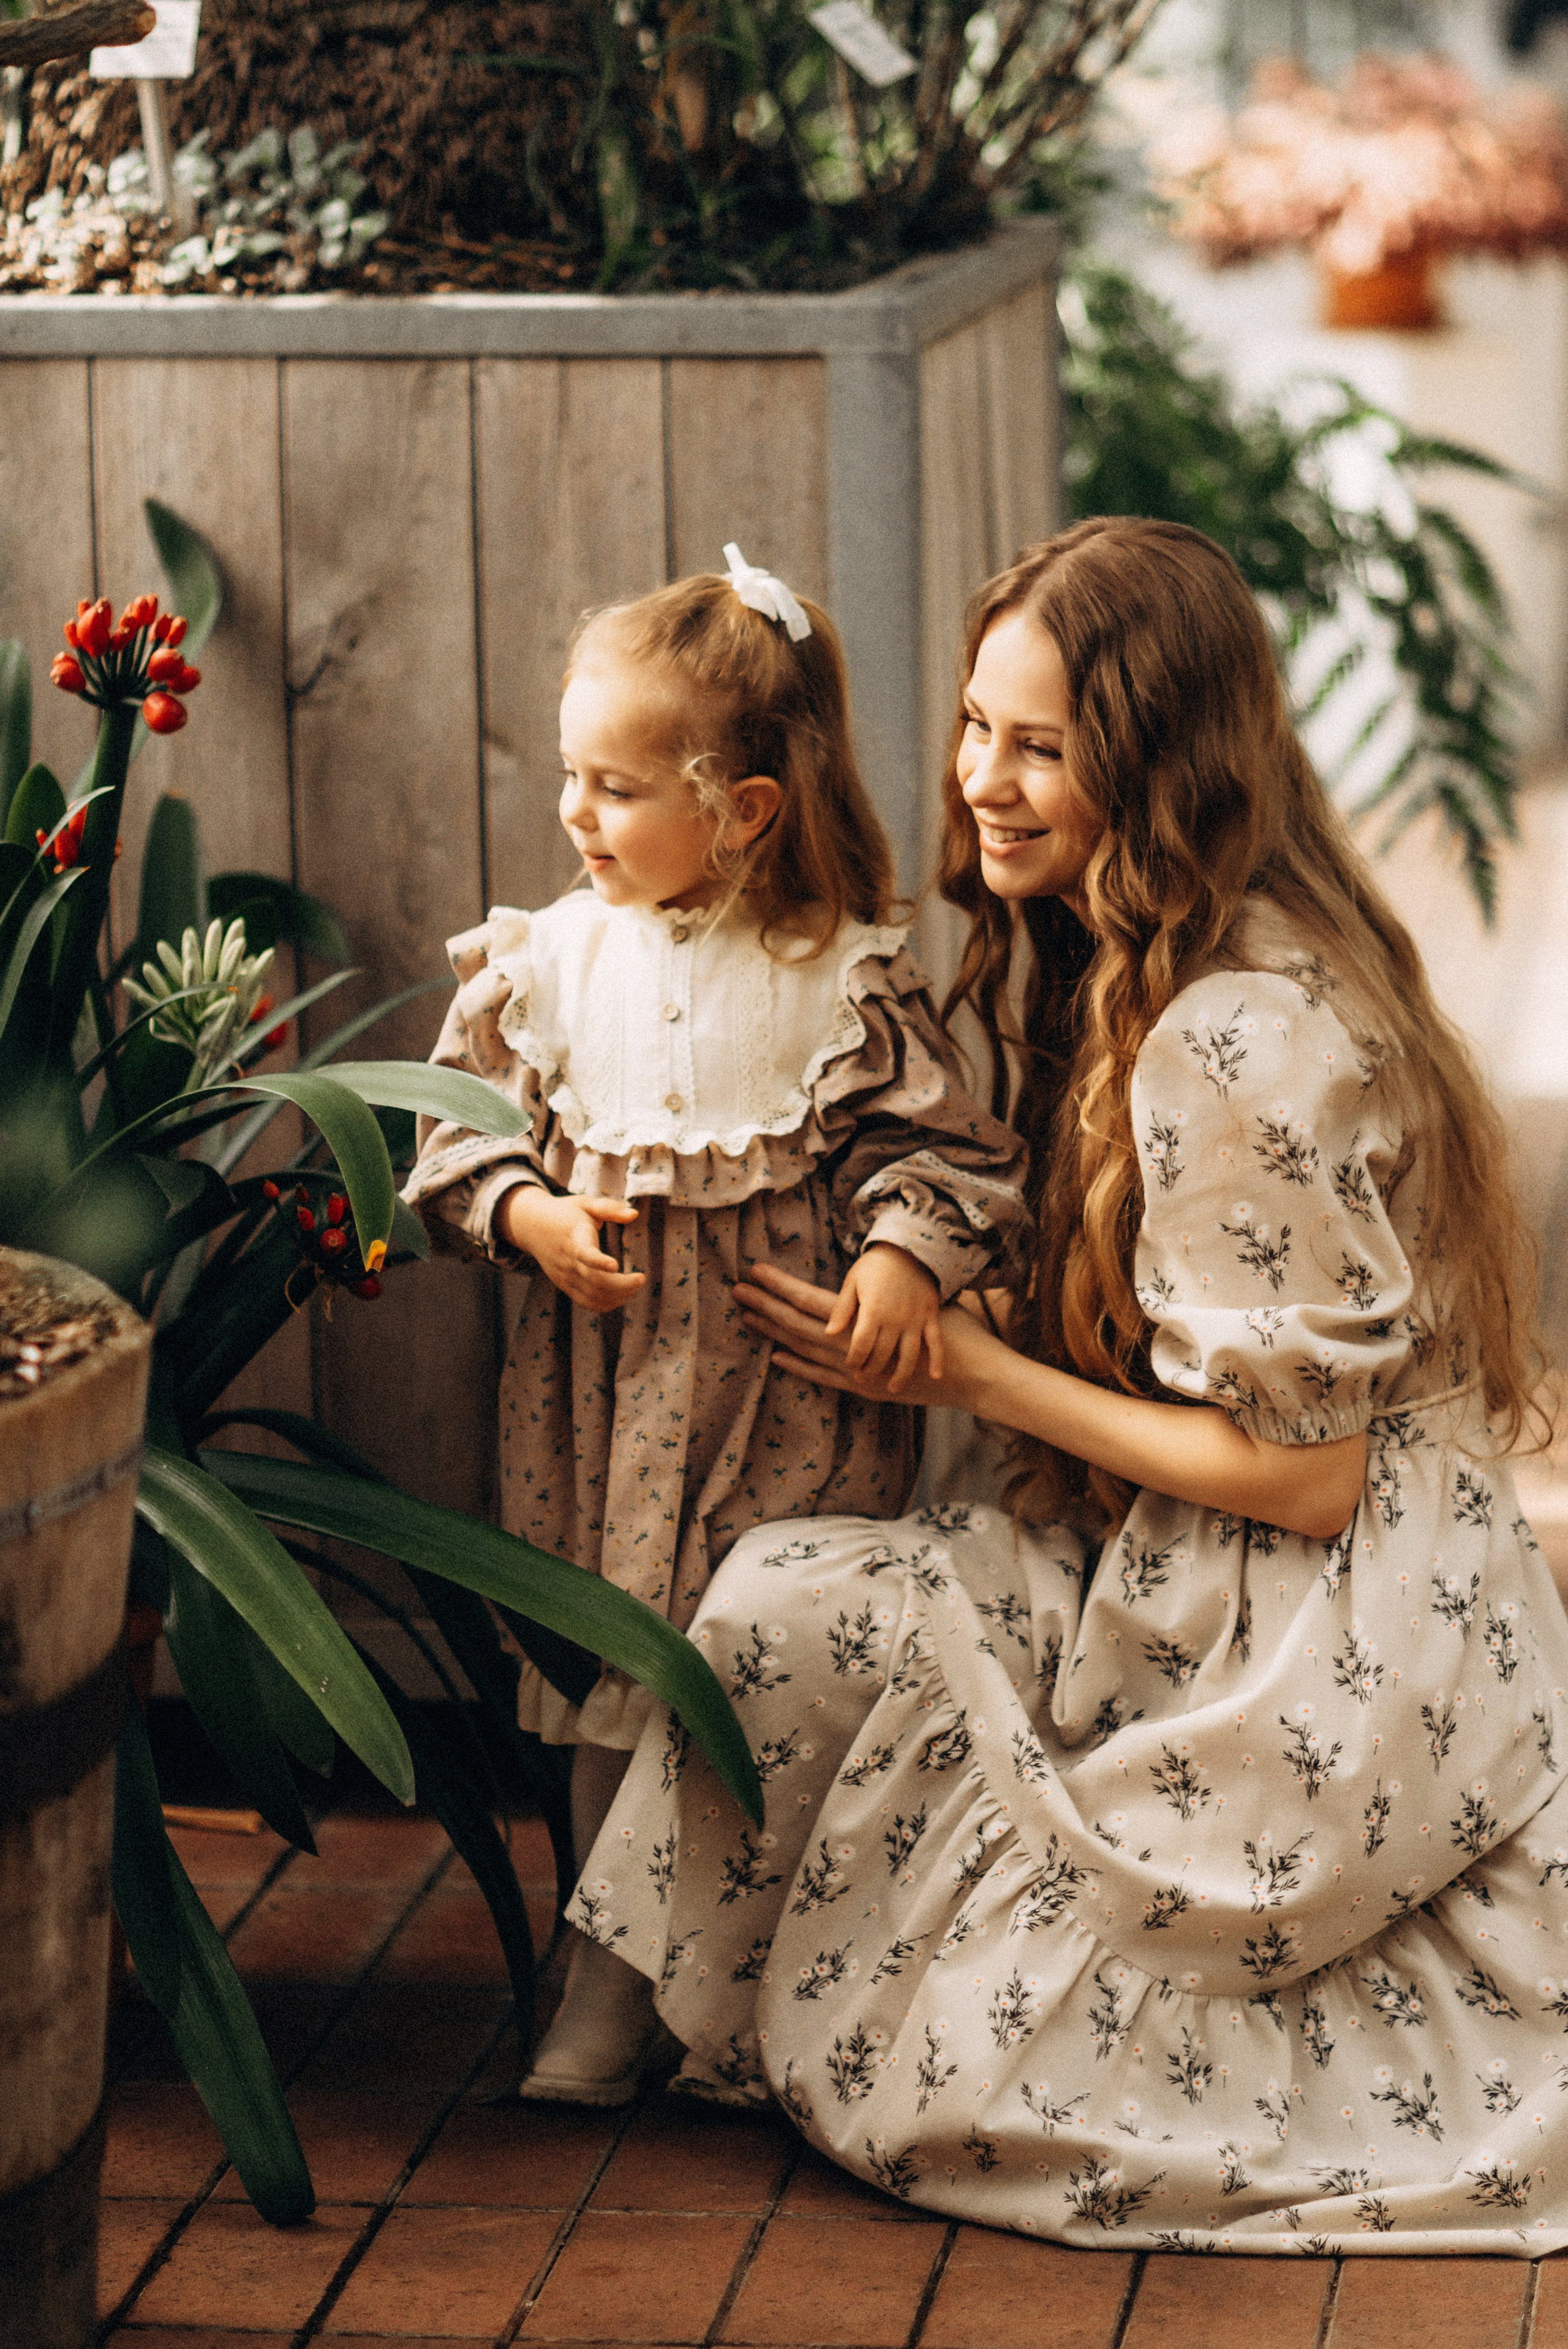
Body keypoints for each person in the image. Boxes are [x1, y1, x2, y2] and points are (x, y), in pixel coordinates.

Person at [563, 516, 1568, 2252]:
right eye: (974, 728)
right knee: (794, 1590)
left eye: (1043, 746)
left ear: (1158, 761)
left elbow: (1309, 1478)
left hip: (1312, 1635)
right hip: (1212, 1565)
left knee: (969, 2076)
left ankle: (646, 2019)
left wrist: (978, 1372)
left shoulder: (1233, 1035)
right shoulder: (1148, 955)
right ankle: (624, 2017)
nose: (986, 783)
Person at [404, 546, 1027, 2104]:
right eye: (571, 778)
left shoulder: (838, 982)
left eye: (616, 789)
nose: (575, 816)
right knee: (613, 1676)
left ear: (740, 808)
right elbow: (449, 1137)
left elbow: (942, 1152)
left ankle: (751, 1992)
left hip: (781, 1403)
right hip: (600, 1402)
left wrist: (900, 1262)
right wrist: (531, 1215)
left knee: (754, 1676)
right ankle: (602, 1983)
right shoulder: (544, 969)